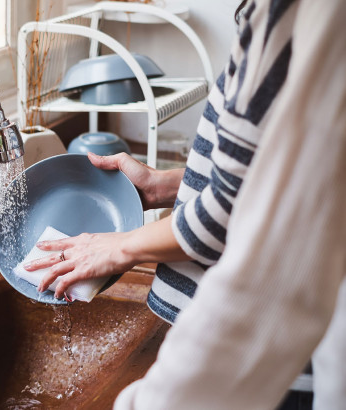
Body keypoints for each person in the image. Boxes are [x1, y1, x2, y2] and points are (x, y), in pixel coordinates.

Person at [23, 0, 346, 408]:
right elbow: (274, 175)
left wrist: (119, 245)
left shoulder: (292, 13)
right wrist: (165, 185)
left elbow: (225, 223)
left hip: (284, 371)